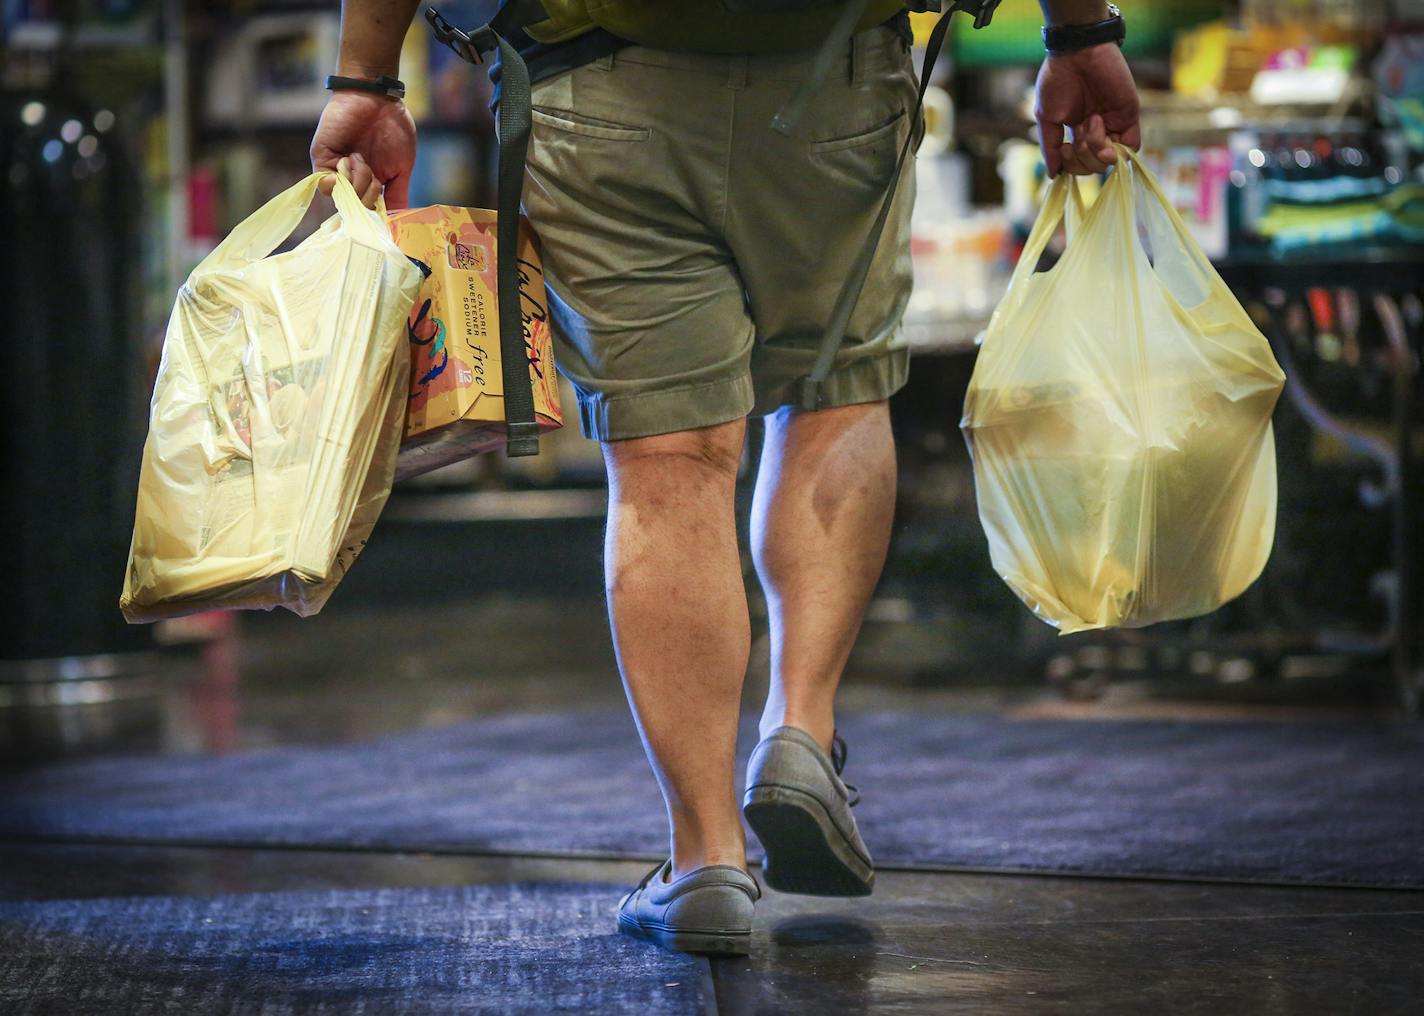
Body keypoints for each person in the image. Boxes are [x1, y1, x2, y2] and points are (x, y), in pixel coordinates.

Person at [311, 0, 1140, 956]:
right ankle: (800, 726)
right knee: (834, 393)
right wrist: (1081, 31)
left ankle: (705, 857)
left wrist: (365, 79)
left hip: (595, 80)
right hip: (835, 76)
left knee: (670, 458)